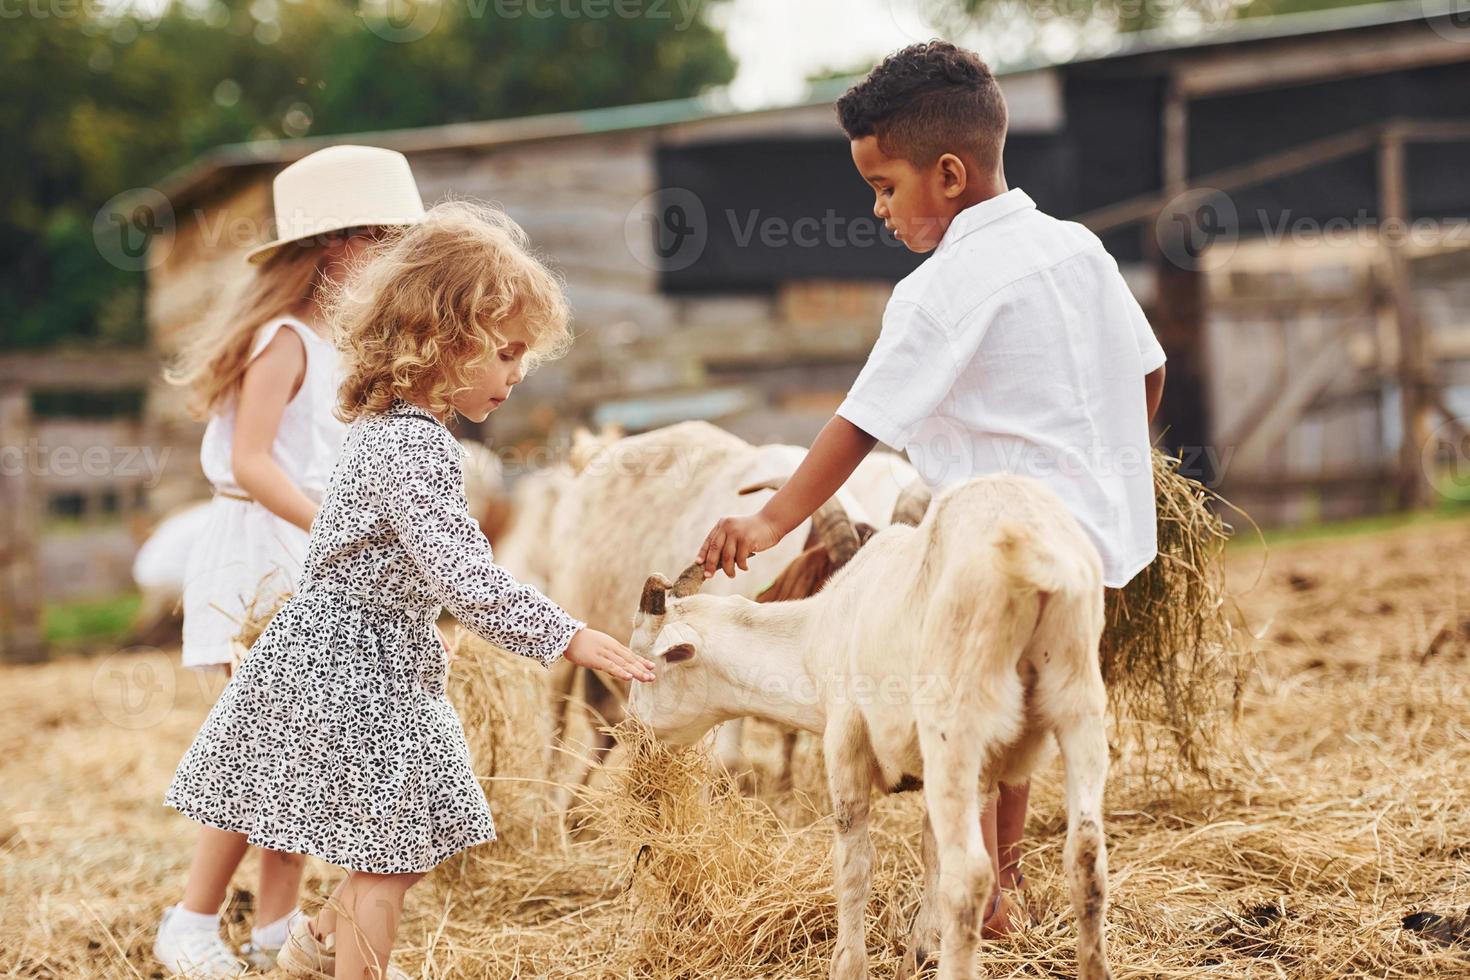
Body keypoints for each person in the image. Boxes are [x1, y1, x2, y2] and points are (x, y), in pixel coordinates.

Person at [694, 41, 1167, 939]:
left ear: (947, 174)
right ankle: (1008, 896)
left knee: (966, 714)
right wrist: (1118, 462)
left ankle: (974, 898)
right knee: (1026, 715)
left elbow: (860, 419)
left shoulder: (935, 290)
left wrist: (771, 518)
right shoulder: (1079, 249)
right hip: (1078, 548)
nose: (877, 210)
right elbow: (1147, 372)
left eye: (884, 186)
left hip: (979, 545)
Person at [157, 198, 658, 980]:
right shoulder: (410, 448)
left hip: (379, 659)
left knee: (422, 833)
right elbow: (465, 575)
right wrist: (569, 635)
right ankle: (349, 961)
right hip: (352, 668)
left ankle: (318, 942)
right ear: (443, 341)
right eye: (506, 352)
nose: (517, 374)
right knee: (391, 858)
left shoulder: (392, 430)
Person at [155, 145, 428, 975]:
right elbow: (253, 461)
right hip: (262, 559)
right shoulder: (283, 338)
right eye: (384, 238)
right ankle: (193, 922)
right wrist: (338, 527)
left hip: (312, 555)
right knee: (266, 744)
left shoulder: (348, 343)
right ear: (338, 243)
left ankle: (276, 928)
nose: (396, 257)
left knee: (304, 754)